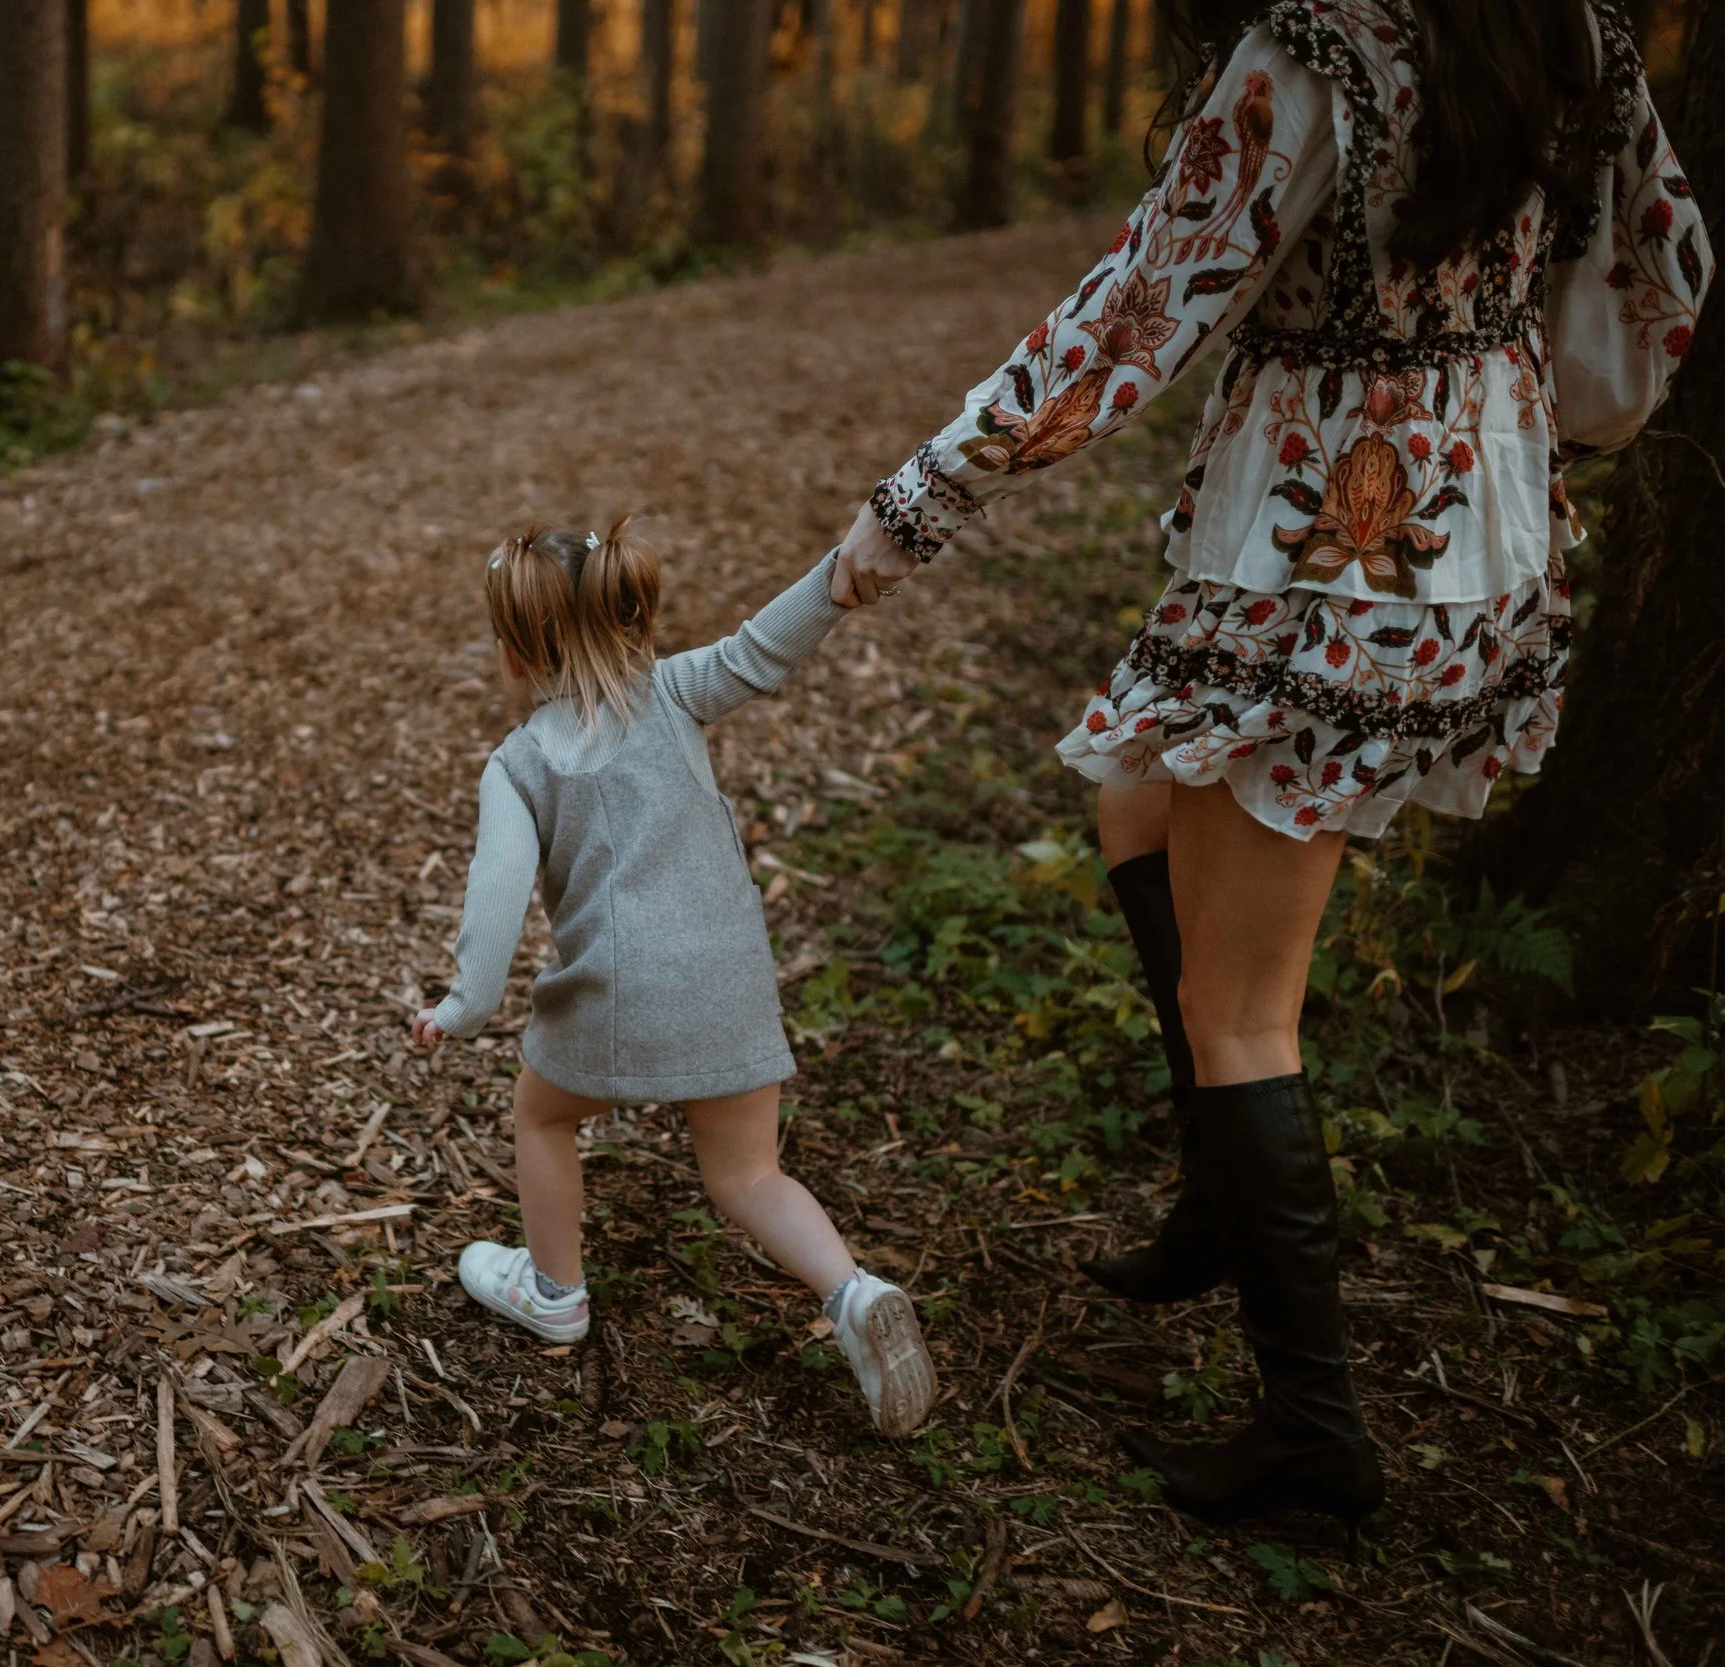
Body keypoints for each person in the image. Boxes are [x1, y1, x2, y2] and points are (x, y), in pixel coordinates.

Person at [832, 0, 1706, 1524]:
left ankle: (1315, 1434)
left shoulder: (1315, 56)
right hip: (1473, 526)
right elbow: (1665, 264)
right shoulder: (1569, 28)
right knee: (1135, 798)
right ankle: (1220, 1191)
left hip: (1321, 551)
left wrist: (921, 497)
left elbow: (1133, 312)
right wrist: (1532, 402)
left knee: (1244, 1010)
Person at [409, 521, 937, 1438]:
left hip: (613, 1005)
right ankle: (855, 1292)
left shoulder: (518, 763)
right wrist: (838, 578)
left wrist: (462, 1005)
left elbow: (492, 916)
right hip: (729, 987)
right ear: (626, 614)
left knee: (542, 1113)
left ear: (510, 652)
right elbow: (766, 642)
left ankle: (554, 1291)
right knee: (749, 1173)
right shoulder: (679, 691)